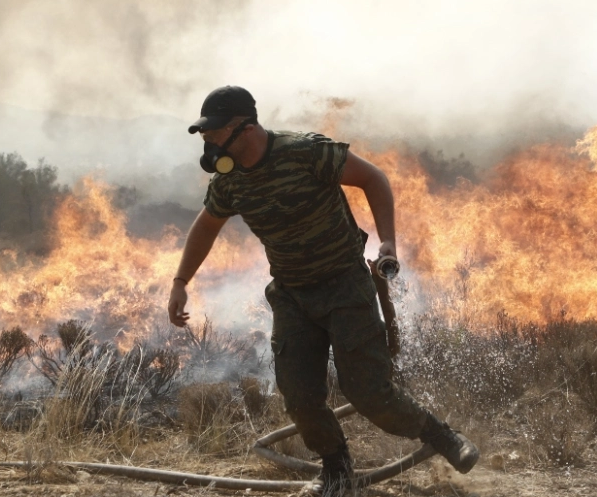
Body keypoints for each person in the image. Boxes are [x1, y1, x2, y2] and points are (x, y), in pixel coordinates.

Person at [167, 86, 479, 496]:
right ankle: (335, 467)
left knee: (369, 394)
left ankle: (440, 435)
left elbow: (372, 178)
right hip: (293, 294)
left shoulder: (306, 151)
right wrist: (180, 282)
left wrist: (388, 242)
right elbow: (207, 225)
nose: (208, 142)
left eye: (213, 132)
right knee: (299, 394)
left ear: (243, 128)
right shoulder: (230, 181)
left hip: (344, 285)